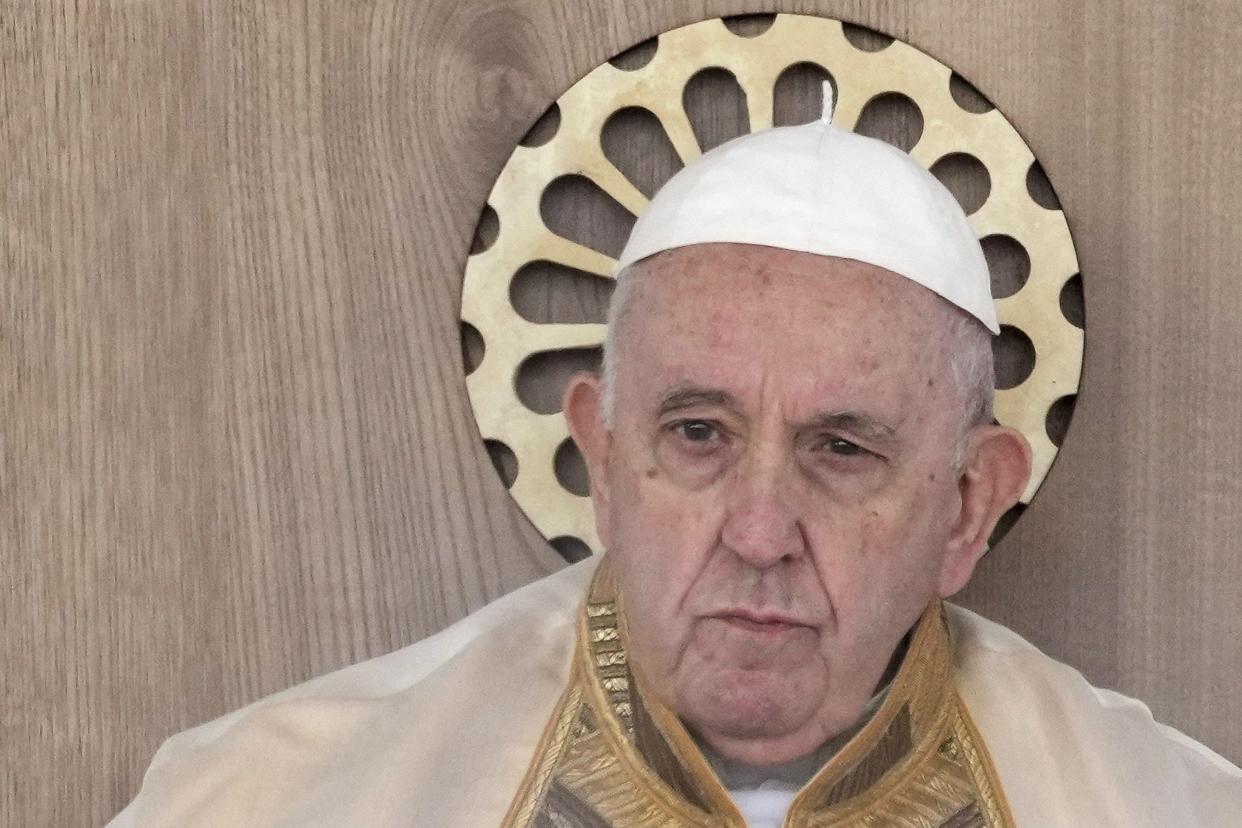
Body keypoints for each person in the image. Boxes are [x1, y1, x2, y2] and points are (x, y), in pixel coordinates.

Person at [111, 88, 1242, 827]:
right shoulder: (265, 798)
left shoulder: (1162, 808)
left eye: (842, 450)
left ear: (965, 508)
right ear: (601, 459)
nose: (758, 535)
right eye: (697, 434)